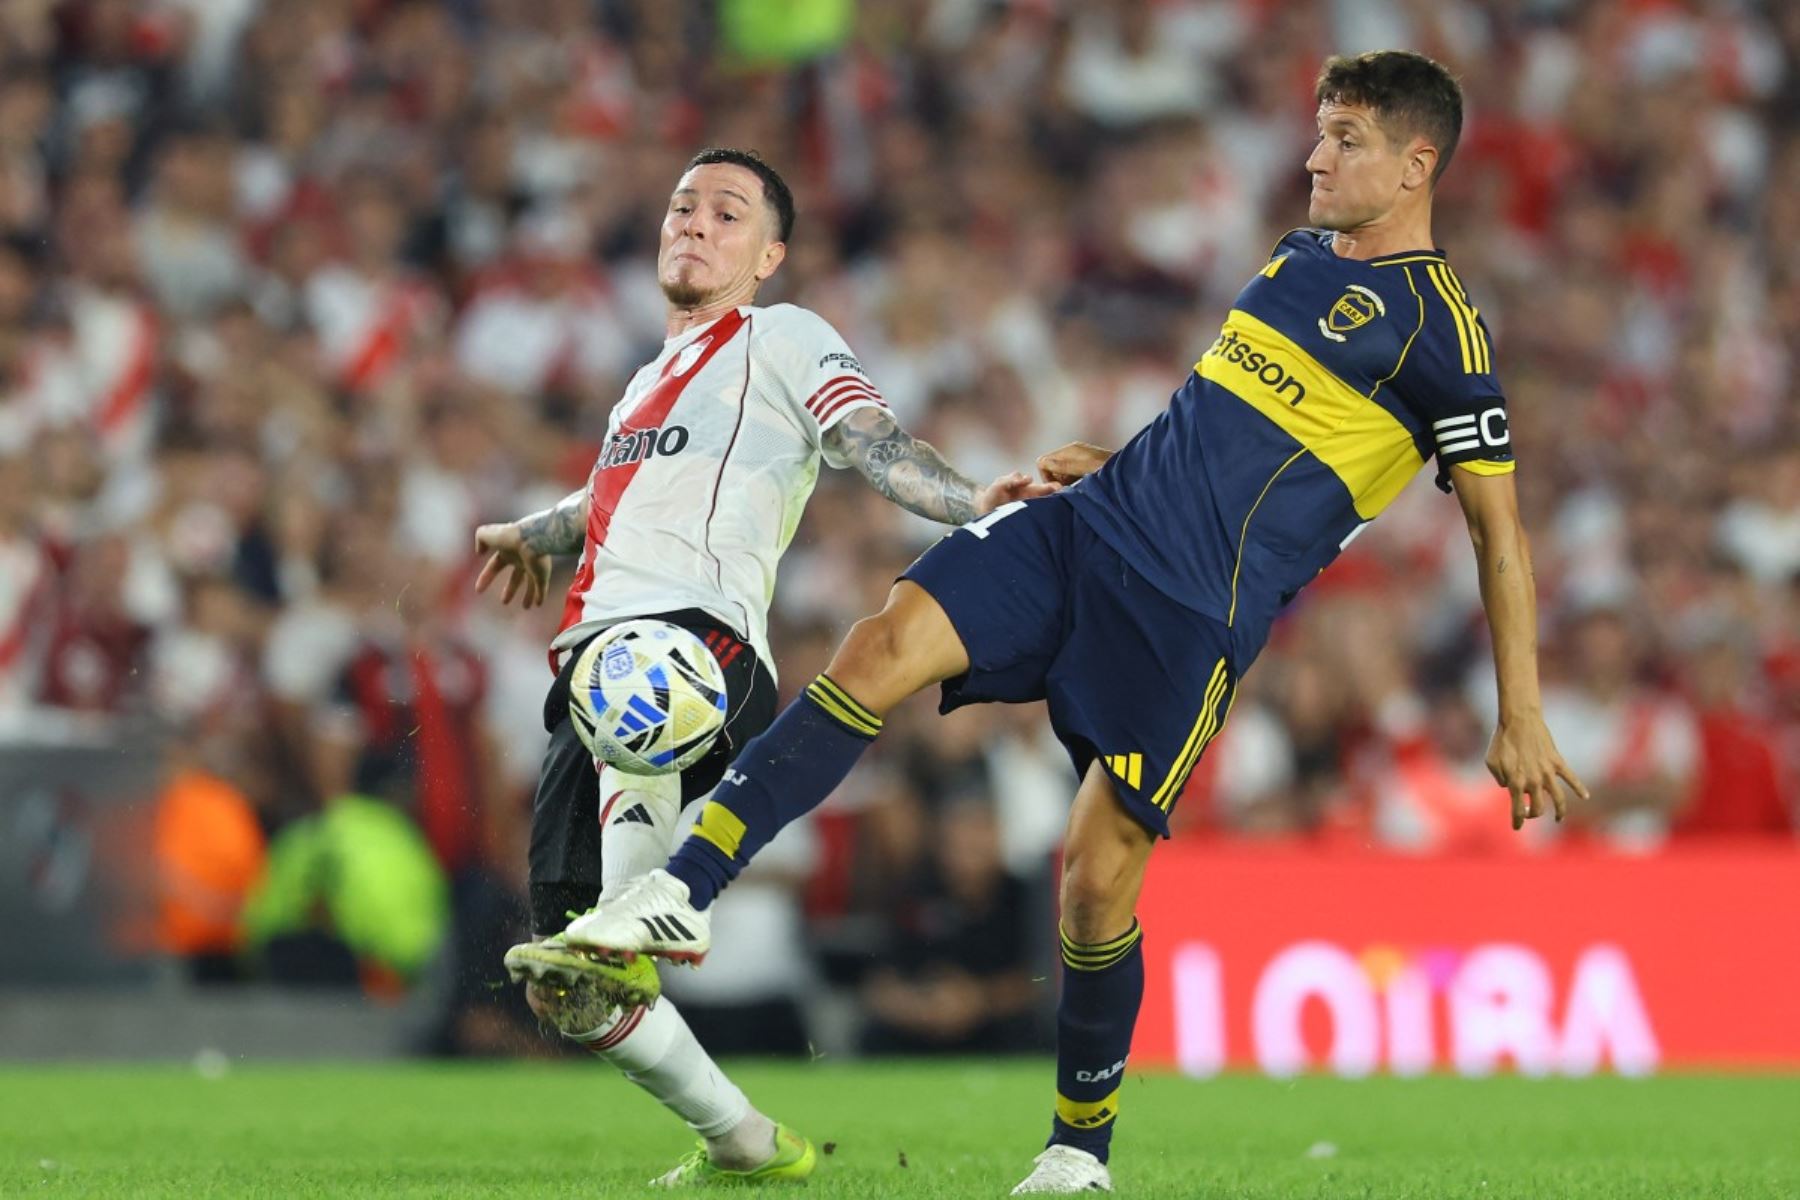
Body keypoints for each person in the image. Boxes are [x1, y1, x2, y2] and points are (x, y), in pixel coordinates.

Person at [553, 55, 1592, 1194]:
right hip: (1086, 527)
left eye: (1344, 137)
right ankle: (678, 891)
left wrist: (1523, 716)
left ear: (1415, 164)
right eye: (1318, 131)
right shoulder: (1296, 260)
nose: (1314, 155)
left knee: (1096, 881)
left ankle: (1076, 1151)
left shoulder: (1444, 337)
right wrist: (1120, 463)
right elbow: (1222, 420)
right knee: (880, 643)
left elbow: (1500, 539)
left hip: (1188, 611)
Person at [472, 147, 1050, 1187]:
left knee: (631, 694)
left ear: (770, 253)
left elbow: (871, 441)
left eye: (727, 213)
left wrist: (979, 503)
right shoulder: (642, 390)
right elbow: (609, 505)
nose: (695, 223)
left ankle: (645, 903)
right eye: (682, 206)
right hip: (595, 675)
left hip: (699, 649)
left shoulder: (780, 339)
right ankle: (737, 1135)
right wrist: (534, 529)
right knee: (567, 986)